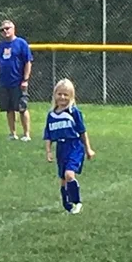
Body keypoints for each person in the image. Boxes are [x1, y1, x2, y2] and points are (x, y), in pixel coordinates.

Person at [44, 79, 96, 214]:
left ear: (71, 96)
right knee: (63, 178)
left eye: (66, 95)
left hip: (74, 146)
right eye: (59, 94)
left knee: (69, 174)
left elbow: (82, 131)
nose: (62, 97)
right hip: (61, 148)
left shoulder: (74, 112)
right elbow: (48, 135)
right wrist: (48, 151)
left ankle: (77, 202)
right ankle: (66, 203)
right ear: (55, 95)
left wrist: (88, 149)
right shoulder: (51, 115)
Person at [0, 20, 33, 141]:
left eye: (7, 28)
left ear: (13, 29)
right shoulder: (0, 47)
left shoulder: (21, 43)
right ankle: (12, 133)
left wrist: (25, 80)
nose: (5, 31)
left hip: (18, 82)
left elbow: (28, 62)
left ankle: (26, 134)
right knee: (8, 109)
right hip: (4, 83)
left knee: (22, 108)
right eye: (2, 30)